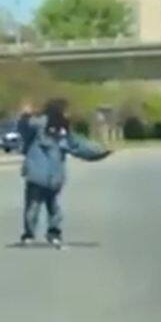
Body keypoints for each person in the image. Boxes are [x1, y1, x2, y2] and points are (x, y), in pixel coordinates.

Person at [18, 99, 112, 246]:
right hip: (45, 174)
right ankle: (48, 233)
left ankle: (35, 234)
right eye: (66, 111)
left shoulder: (57, 129)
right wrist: (99, 152)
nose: (68, 114)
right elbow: (79, 147)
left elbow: (79, 146)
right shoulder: (48, 127)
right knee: (45, 206)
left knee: (39, 206)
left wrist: (99, 152)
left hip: (43, 175)